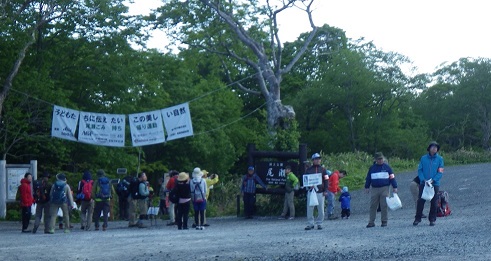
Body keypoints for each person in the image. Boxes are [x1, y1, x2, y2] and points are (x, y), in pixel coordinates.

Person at [413, 141, 444, 227]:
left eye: (436, 147)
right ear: (429, 148)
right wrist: (423, 179)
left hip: (434, 183)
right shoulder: (423, 158)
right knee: (421, 201)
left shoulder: (440, 159)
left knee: (434, 202)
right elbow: (420, 170)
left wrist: (433, 180)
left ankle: (432, 219)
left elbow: (440, 172)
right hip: (424, 183)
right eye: (432, 147)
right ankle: (417, 218)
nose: (434, 149)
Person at [364, 152, 398, 228]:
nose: (380, 160)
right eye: (379, 159)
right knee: (373, 205)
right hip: (374, 188)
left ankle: (384, 221)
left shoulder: (387, 167)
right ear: (376, 160)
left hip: (384, 188)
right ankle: (371, 222)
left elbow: (392, 177)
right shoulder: (372, 168)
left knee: (384, 205)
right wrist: (367, 187)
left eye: (381, 159)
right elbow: (368, 178)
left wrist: (394, 187)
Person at [304, 153, 329, 230]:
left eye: (319, 159)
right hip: (311, 191)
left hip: (320, 192)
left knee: (321, 208)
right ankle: (310, 223)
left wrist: (325, 190)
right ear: (313, 160)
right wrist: (308, 186)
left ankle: (319, 223)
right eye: (316, 159)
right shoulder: (308, 170)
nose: (318, 160)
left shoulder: (324, 170)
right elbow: (305, 180)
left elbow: (326, 180)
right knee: (310, 208)